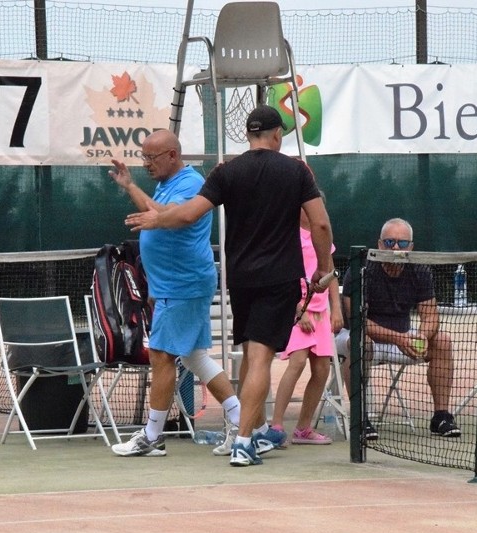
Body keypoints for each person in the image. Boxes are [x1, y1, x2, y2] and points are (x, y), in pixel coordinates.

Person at [125, 105, 334, 467]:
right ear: (277, 135)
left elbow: (189, 213)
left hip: (240, 280)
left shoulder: (227, 171)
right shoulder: (296, 170)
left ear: (249, 135)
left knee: (253, 358)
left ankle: (243, 433)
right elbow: (320, 226)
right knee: (260, 360)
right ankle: (242, 442)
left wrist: (157, 219)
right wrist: (324, 269)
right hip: (278, 278)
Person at [107, 130, 252, 458]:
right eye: (143, 158)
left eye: (152, 158)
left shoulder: (190, 183)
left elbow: (168, 218)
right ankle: (244, 423)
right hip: (175, 285)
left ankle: (151, 436)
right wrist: (130, 186)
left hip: (184, 285)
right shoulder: (164, 183)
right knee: (194, 357)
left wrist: (133, 189)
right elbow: (154, 214)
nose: (147, 164)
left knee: (161, 355)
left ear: (172, 155)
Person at [336, 218, 461, 438]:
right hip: (357, 337)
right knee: (359, 343)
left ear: (411, 247)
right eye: (390, 242)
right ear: (380, 244)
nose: (395, 248)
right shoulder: (362, 270)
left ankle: (441, 416)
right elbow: (359, 322)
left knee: (442, 341)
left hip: (402, 339)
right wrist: (399, 339)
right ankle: (360, 417)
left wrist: (421, 336)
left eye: (402, 244)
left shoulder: (420, 270)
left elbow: (431, 316)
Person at [270, 202, 344, 445]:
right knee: (298, 361)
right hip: (297, 307)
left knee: (322, 369)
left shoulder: (322, 237)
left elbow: (330, 273)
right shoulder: (288, 236)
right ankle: (277, 427)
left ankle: (303, 429)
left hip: (321, 311)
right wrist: (297, 309)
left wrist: (336, 310)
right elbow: (281, 275)